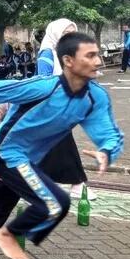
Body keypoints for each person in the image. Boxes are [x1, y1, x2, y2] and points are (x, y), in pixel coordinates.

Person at [0, 32, 124, 259]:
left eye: (97, 55)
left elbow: (107, 132)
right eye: (89, 56)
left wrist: (107, 150)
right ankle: (9, 237)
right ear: (68, 61)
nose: (98, 61)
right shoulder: (44, 87)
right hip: (3, 153)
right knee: (55, 201)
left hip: (29, 160)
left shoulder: (94, 97)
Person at [36, 18, 95, 199]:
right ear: (55, 34)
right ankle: (77, 183)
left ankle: (34, 185)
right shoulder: (47, 54)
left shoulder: (64, 55)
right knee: (62, 142)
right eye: (66, 34)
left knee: (47, 148)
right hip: (50, 106)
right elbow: (44, 81)